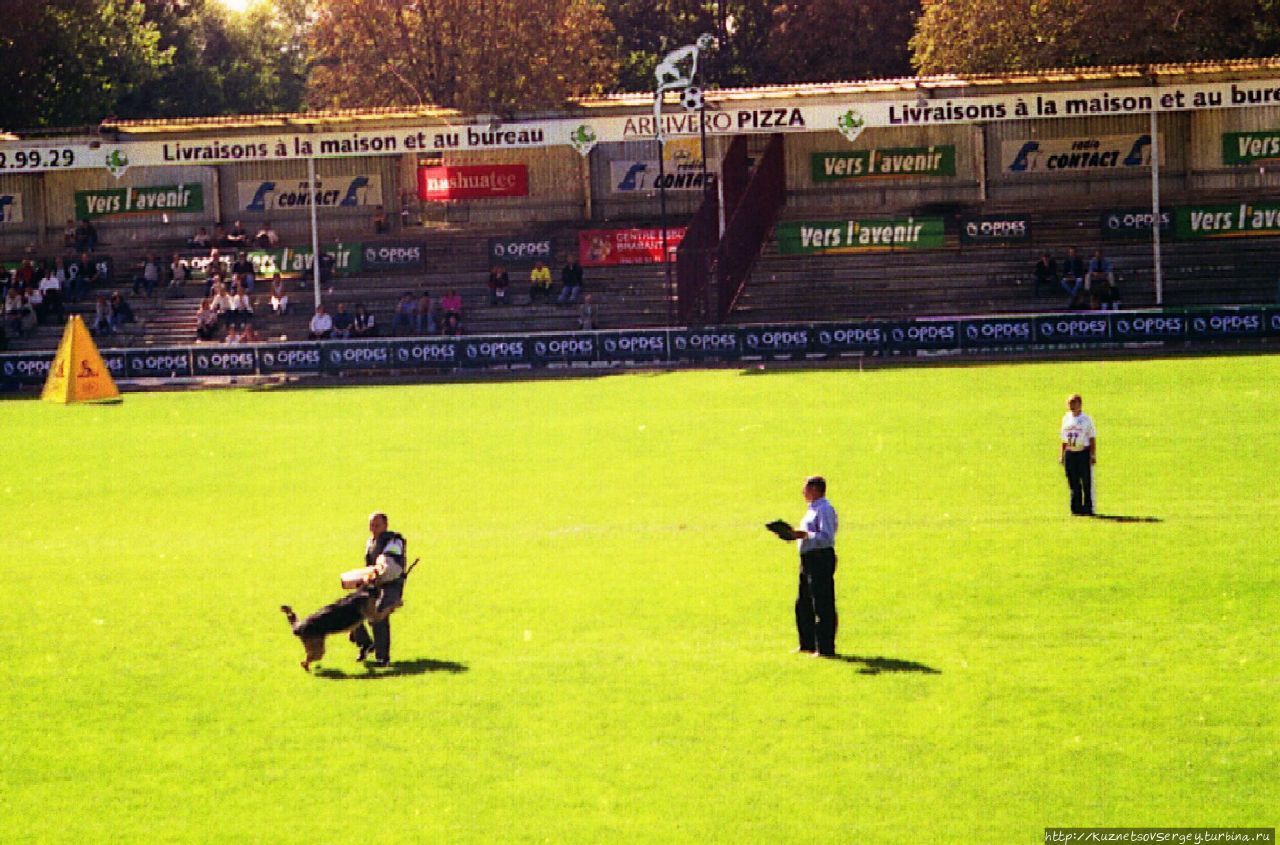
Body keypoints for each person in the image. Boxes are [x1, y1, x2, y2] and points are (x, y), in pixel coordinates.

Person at [348, 511, 409, 667]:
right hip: (373, 585)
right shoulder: (370, 541)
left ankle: (383, 658)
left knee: (378, 613)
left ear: (385, 525)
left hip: (391, 586)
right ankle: (365, 643)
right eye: (371, 525)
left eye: (377, 525)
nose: (373, 528)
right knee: (351, 608)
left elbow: (389, 565)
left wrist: (378, 570)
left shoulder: (394, 542)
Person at [790, 476, 839, 658]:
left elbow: (826, 537)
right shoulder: (812, 509)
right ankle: (807, 644)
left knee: (822, 603)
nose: (803, 492)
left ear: (815, 489)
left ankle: (825, 648)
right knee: (803, 603)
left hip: (820, 558)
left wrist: (805, 535)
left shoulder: (825, 509)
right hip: (808, 559)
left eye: (806, 489)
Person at [1059, 394, 1097, 516]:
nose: (1071, 406)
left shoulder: (1086, 420)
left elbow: (1091, 438)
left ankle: (1088, 508)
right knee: (1073, 482)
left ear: (1080, 404)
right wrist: (1062, 454)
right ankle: (1076, 508)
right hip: (1070, 452)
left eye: (1073, 403)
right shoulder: (1066, 418)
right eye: (1069, 403)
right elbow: (1064, 439)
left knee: (1086, 482)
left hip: (1082, 452)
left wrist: (1092, 455)